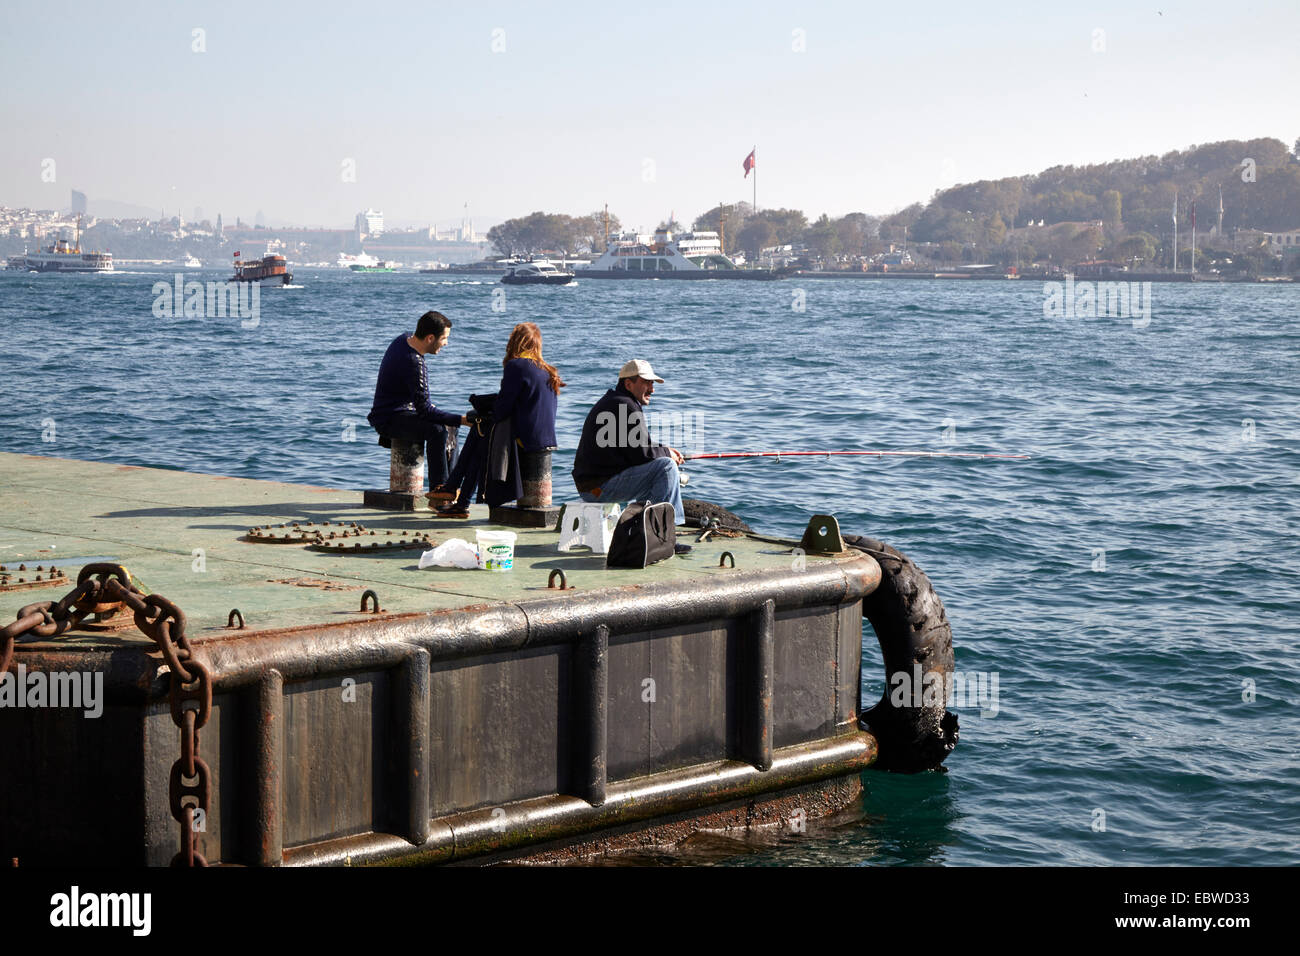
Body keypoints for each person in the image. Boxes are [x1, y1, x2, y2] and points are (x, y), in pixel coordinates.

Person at [434, 322, 564, 516]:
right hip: (543, 437)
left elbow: (503, 408)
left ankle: (456, 493)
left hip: (524, 439)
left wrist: (480, 411)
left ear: (515, 342)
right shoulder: (547, 370)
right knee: (480, 429)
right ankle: (458, 498)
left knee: (479, 430)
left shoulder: (517, 365)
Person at [571, 358, 687, 531]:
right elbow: (642, 453)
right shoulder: (625, 405)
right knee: (667, 468)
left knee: (662, 468)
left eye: (652, 383)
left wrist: (665, 450)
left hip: (591, 486)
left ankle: (642, 530)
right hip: (598, 489)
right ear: (628, 384)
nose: (652, 389)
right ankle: (664, 532)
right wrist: (667, 454)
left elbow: (637, 448)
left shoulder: (616, 401)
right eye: (646, 382)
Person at [366, 310, 469, 491]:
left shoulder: (403, 339)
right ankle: (441, 490)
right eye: (444, 338)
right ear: (430, 338)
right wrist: (462, 420)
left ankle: (450, 486)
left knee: (448, 425)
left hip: (399, 411)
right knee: (438, 429)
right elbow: (426, 411)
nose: (446, 343)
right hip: (388, 419)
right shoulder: (414, 362)